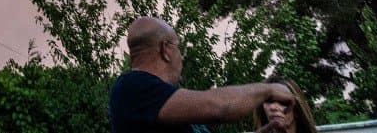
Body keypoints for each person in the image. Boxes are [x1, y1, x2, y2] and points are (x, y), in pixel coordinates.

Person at [109, 17, 295, 133]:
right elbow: (219, 107)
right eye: (178, 48)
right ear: (166, 49)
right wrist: (269, 89)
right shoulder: (133, 87)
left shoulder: (162, 101)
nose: (181, 57)